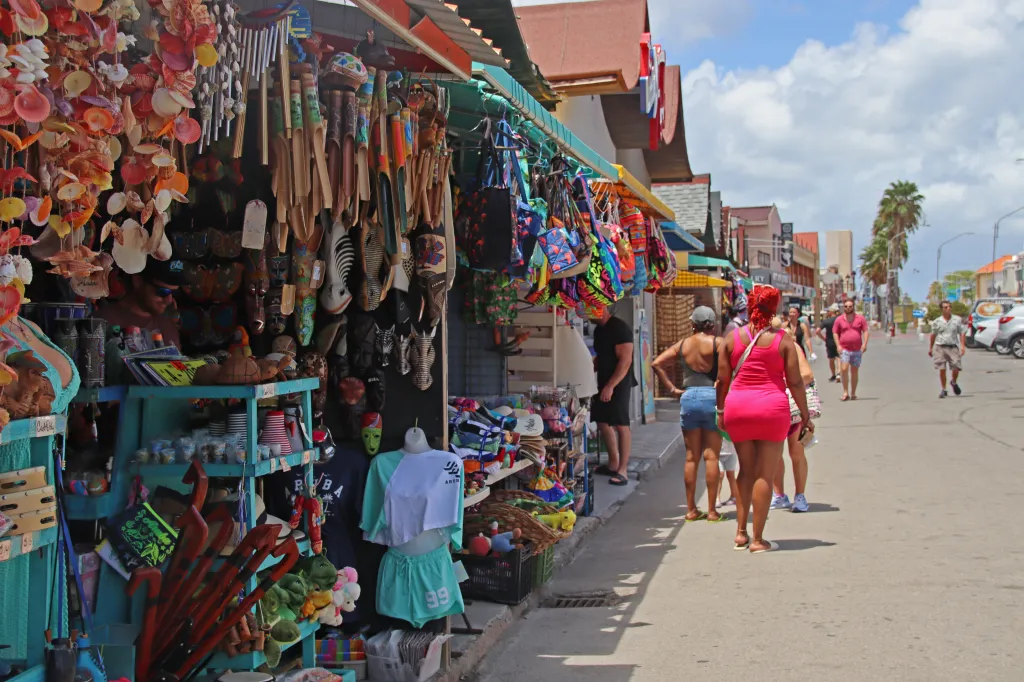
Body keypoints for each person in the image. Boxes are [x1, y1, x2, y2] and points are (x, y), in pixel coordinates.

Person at [717, 286, 812, 553]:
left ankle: (740, 533)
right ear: (775, 309)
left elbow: (722, 382)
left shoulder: (730, 339)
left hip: (737, 408)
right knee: (764, 474)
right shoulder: (783, 341)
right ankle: (758, 540)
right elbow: (794, 382)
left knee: (745, 470)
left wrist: (721, 412)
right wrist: (805, 416)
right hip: (772, 409)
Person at [652, 306, 723, 522]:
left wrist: (672, 389)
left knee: (692, 457)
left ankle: (691, 509)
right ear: (712, 323)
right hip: (713, 397)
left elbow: (657, 363)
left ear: (693, 323)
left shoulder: (683, 344)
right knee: (712, 456)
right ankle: (712, 511)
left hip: (689, 398)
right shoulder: (718, 344)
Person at [590, 305, 637, 487]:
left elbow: (626, 361)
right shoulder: (599, 330)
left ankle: (623, 470)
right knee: (602, 420)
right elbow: (601, 356)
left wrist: (610, 386)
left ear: (601, 308)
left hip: (620, 382)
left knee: (620, 423)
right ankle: (613, 463)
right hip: (604, 380)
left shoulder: (619, 328)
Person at [773, 318, 817, 512]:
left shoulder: (793, 348)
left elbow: (807, 375)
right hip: (773, 406)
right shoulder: (767, 348)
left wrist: (782, 379)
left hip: (792, 406)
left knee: (795, 451)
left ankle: (800, 496)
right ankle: (779, 495)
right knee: (773, 454)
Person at [95, 258, 183, 348]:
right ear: (138, 280)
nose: (169, 300)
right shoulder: (102, 322)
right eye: (163, 291)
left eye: (174, 293)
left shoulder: (168, 327)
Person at [929, 300, 967, 398]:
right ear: (942, 309)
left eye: (949, 307)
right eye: (945, 307)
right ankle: (944, 389)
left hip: (953, 346)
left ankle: (953, 382)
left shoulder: (957, 320)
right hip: (940, 347)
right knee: (942, 369)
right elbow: (933, 335)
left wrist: (963, 346)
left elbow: (962, 332)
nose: (948, 309)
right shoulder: (937, 321)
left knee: (956, 367)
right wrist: (930, 348)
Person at [833, 299, 868, 401]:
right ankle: (845, 392)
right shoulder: (839, 319)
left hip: (857, 349)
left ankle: (853, 393)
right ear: (843, 307)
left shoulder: (860, 319)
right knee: (844, 369)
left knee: (854, 371)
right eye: (846, 306)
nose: (848, 308)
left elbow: (865, 331)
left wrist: (865, 344)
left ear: (853, 307)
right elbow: (835, 332)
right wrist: (838, 345)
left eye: (850, 306)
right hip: (844, 348)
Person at [815, 304, 840, 382]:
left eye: (828, 311)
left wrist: (824, 338)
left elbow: (817, 331)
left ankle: (833, 375)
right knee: (838, 358)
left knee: (831, 359)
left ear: (831, 312)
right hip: (839, 341)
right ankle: (839, 373)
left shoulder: (826, 321)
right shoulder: (840, 320)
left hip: (829, 341)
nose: (827, 312)